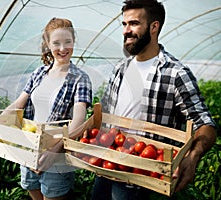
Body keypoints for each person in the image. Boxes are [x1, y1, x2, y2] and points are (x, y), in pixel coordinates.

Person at [90, 0, 217, 200]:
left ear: (154, 27)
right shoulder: (120, 69)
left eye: (133, 24)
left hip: (142, 176)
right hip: (107, 166)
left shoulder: (175, 73)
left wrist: (193, 157)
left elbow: (206, 123)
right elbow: (107, 116)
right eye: (124, 24)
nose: (126, 30)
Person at [0, 17, 92, 200]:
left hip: (57, 156)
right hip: (28, 149)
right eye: (56, 43)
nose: (62, 49)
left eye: (67, 42)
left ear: (74, 41)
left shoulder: (80, 78)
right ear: (47, 44)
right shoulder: (38, 73)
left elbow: (78, 121)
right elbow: (16, 106)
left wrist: (55, 150)